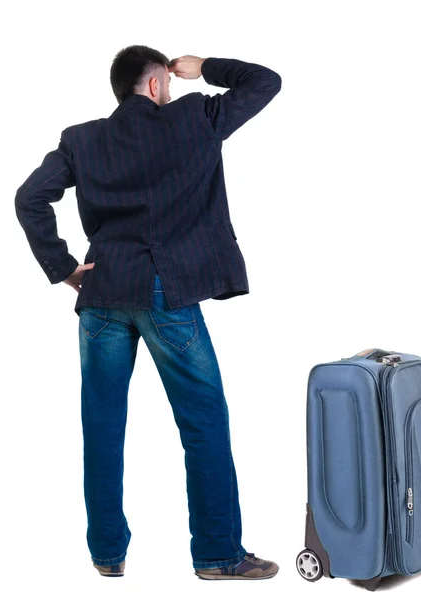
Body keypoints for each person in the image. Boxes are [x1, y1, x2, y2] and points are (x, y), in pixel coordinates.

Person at [14, 46, 282, 580]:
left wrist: (64, 266)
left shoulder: (81, 138)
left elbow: (29, 198)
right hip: (167, 293)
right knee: (204, 422)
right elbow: (264, 81)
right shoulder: (195, 117)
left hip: (102, 293)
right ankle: (218, 555)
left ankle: (107, 554)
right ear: (158, 84)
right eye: (170, 82)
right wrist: (203, 67)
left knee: (103, 425)